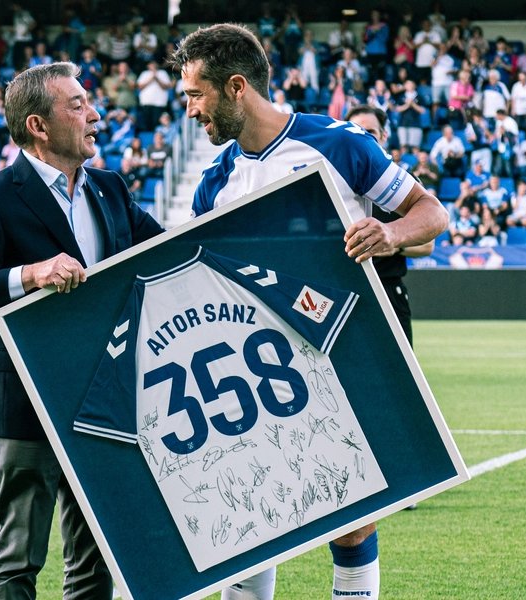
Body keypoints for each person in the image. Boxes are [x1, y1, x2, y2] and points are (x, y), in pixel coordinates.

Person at [171, 24, 448, 600]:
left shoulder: (338, 144)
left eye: (195, 94)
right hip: (254, 376)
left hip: (339, 361)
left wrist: (390, 232)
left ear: (236, 87)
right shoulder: (214, 184)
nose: (190, 110)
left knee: (352, 517)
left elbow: (431, 212)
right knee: (248, 519)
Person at [0, 62, 163, 599]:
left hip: (103, 399)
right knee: (18, 561)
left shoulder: (110, 188)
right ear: (39, 125)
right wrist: (30, 274)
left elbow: (165, 249)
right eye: (79, 104)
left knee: (95, 558)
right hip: (27, 396)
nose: (96, 114)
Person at [347, 105, 435, 346]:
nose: (364, 138)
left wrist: (394, 242)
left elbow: (427, 245)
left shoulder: (404, 185)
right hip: (343, 291)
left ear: (384, 136)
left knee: (399, 377)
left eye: (371, 132)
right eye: (356, 131)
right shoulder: (332, 183)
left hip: (388, 289)